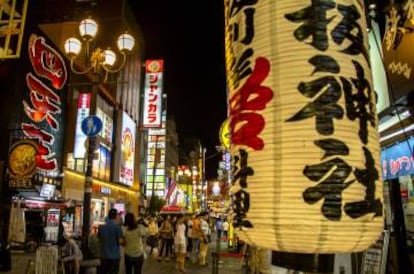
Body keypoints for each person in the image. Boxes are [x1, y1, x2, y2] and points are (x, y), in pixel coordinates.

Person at [98, 208, 124, 274]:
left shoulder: (101, 227)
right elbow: (120, 241)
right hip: (114, 256)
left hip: (103, 256)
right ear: (116, 217)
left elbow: (99, 240)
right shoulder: (118, 228)